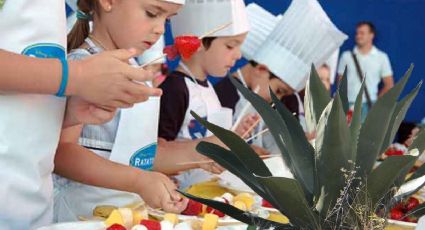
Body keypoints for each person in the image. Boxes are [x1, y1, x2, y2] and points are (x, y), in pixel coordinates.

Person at [0, 0, 159, 228]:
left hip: (33, 209)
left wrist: (65, 116)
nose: (160, 28)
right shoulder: (81, 60)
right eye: (153, 12)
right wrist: (75, 76)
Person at [53, 0, 188, 222]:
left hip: (122, 214)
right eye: (152, 13)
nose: (161, 29)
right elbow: (62, 152)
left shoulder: (133, 66)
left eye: (168, 19)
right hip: (81, 216)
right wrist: (138, 180)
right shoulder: (84, 64)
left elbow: (133, 154)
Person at [158, 0, 260, 189]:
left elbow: (210, 136)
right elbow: (158, 150)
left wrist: (235, 136)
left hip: (207, 190)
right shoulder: (175, 88)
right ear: (198, 44)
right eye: (231, 46)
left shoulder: (209, 88)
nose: (238, 55)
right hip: (180, 194)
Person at [337, 21, 394, 119]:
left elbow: (389, 84)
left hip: (369, 105)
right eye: (357, 33)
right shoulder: (346, 56)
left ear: (371, 35)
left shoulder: (381, 57)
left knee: (366, 134)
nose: (358, 36)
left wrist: (376, 102)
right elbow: (340, 82)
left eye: (362, 33)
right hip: (348, 104)